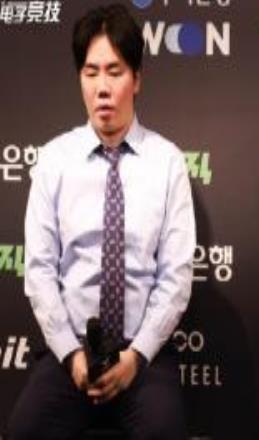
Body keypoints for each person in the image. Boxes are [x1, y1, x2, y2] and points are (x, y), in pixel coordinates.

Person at [8, 4, 195, 439]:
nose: (103, 88)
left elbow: (176, 277)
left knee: (165, 431)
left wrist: (137, 356)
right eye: (91, 73)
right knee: (24, 430)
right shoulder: (54, 160)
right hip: (70, 351)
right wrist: (71, 355)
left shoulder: (167, 162)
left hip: (142, 355)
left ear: (137, 79)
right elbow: (39, 271)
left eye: (115, 71)